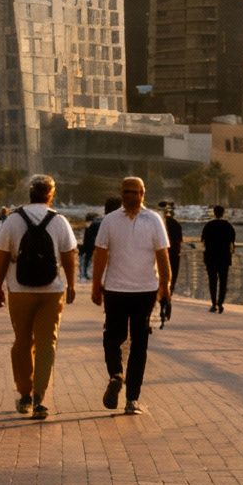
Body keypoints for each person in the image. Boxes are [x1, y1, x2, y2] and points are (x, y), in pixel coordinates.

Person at [0, 175, 80, 420]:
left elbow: (1, 256)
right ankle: (40, 397)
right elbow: (69, 255)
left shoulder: (13, 220)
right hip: (52, 290)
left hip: (19, 290)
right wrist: (71, 284)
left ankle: (25, 393)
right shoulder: (59, 221)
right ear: (51, 194)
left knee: (22, 340)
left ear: (30, 193)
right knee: (46, 343)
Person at [92, 177, 172, 414]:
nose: (130, 196)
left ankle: (131, 398)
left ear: (142, 193)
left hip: (145, 290)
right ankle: (117, 375)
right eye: (127, 192)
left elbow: (162, 254)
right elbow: (100, 254)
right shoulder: (110, 220)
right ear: (121, 193)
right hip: (115, 289)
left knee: (139, 343)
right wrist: (97, 284)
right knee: (112, 336)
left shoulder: (153, 220)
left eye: (135, 192)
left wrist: (165, 285)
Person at [199, 205, 236, 313]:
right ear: (223, 213)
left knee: (212, 281)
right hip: (224, 257)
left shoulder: (208, 225)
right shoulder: (228, 226)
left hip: (211, 257)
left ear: (214, 213)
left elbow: (203, 241)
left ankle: (213, 303)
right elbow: (232, 243)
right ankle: (220, 303)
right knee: (223, 281)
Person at [80, 196, 119, 280]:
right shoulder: (122, 224)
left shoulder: (96, 223)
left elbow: (87, 247)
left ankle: (85, 274)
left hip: (95, 262)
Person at [159, 203, 184, 326]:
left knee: (159, 282)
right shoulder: (176, 224)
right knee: (171, 280)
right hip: (174, 256)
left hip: (159, 258)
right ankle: (167, 300)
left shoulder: (156, 224)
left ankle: (161, 303)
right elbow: (179, 241)